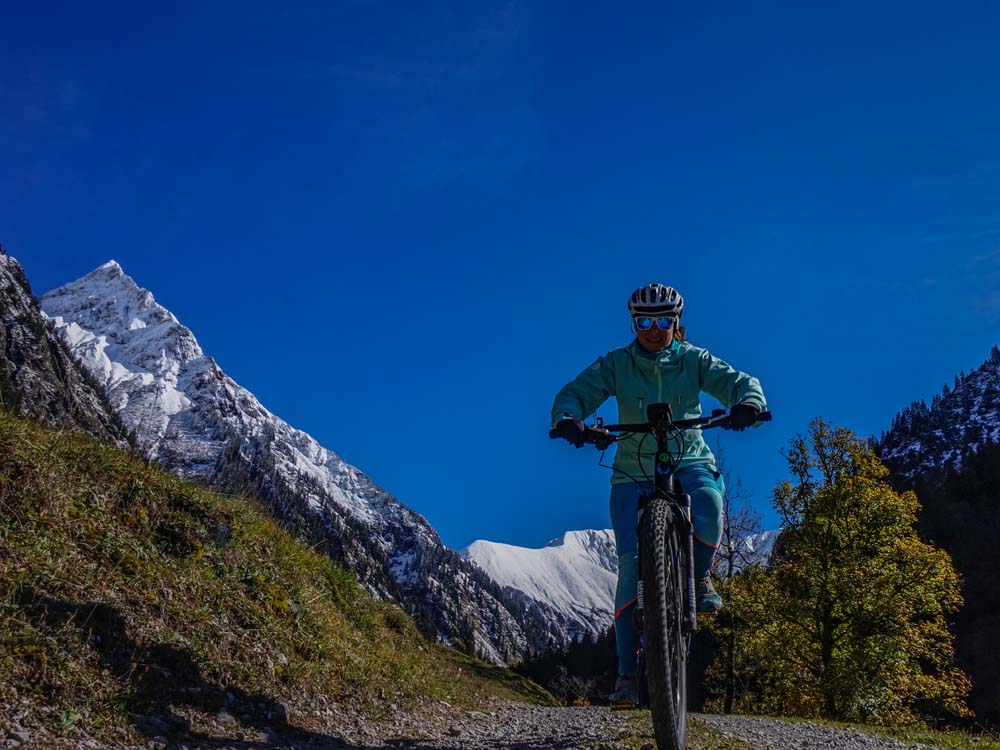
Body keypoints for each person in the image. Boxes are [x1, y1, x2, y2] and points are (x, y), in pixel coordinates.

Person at [550, 283, 767, 707]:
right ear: (634, 324)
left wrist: (748, 404)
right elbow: (574, 393)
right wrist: (569, 419)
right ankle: (627, 676)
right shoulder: (617, 364)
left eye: (663, 321)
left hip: (689, 457)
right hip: (632, 468)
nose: (654, 329)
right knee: (630, 570)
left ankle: (699, 578)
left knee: (708, 503)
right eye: (644, 322)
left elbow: (739, 382)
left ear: (676, 322)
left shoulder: (693, 359)